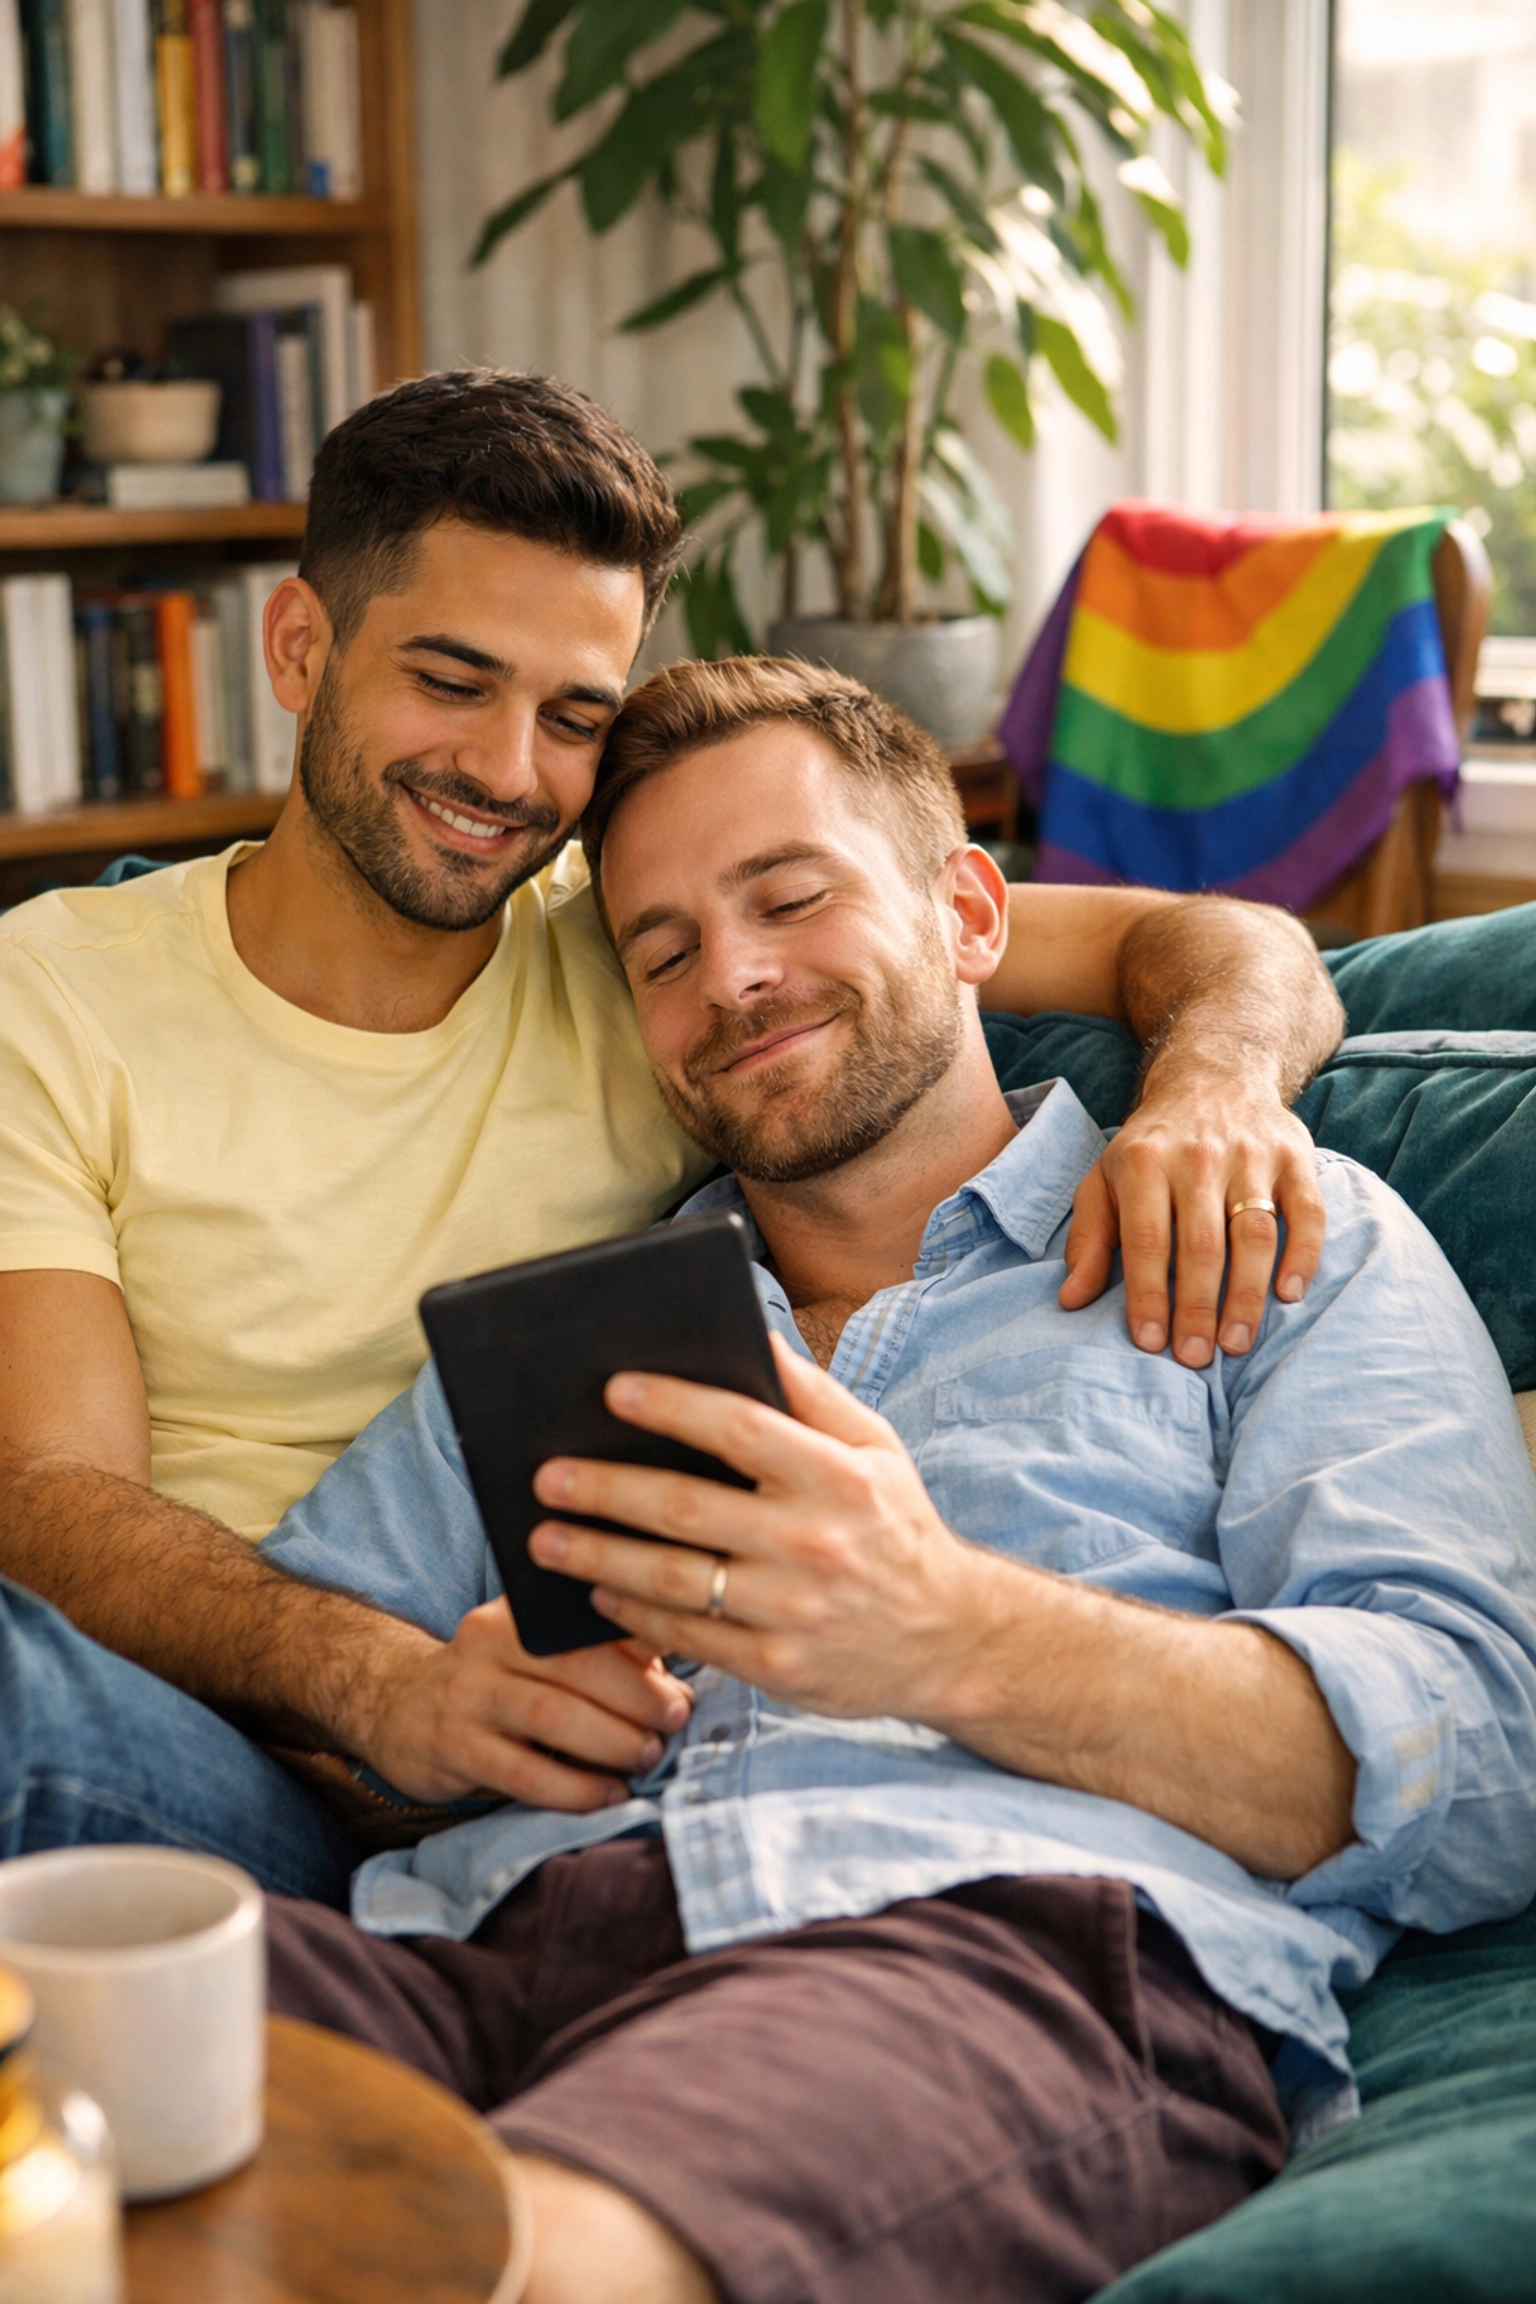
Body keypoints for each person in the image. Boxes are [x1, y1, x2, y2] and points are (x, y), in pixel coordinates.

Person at [240, 657, 1536, 2304]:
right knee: (72, 2111)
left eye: (790, 898)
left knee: (515, 2260)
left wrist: (946, 1631)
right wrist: (428, 1711)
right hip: (477, 1946)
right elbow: (288, 1697)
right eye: (665, 951)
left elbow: (1487, 1763)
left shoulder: (1284, 1233)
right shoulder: (572, 1335)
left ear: (971, 916)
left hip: (988, 1953)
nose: (736, 980)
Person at [0, 371, 1343, 1893]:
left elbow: (1217, 942)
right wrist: (384, 1688)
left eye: (571, 715)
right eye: (452, 682)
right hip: (225, 1724)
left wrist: (1216, 1089)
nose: (508, 776)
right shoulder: (48, 1000)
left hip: (566, 1750)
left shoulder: (669, 972)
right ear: (301, 647)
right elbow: (46, 1499)